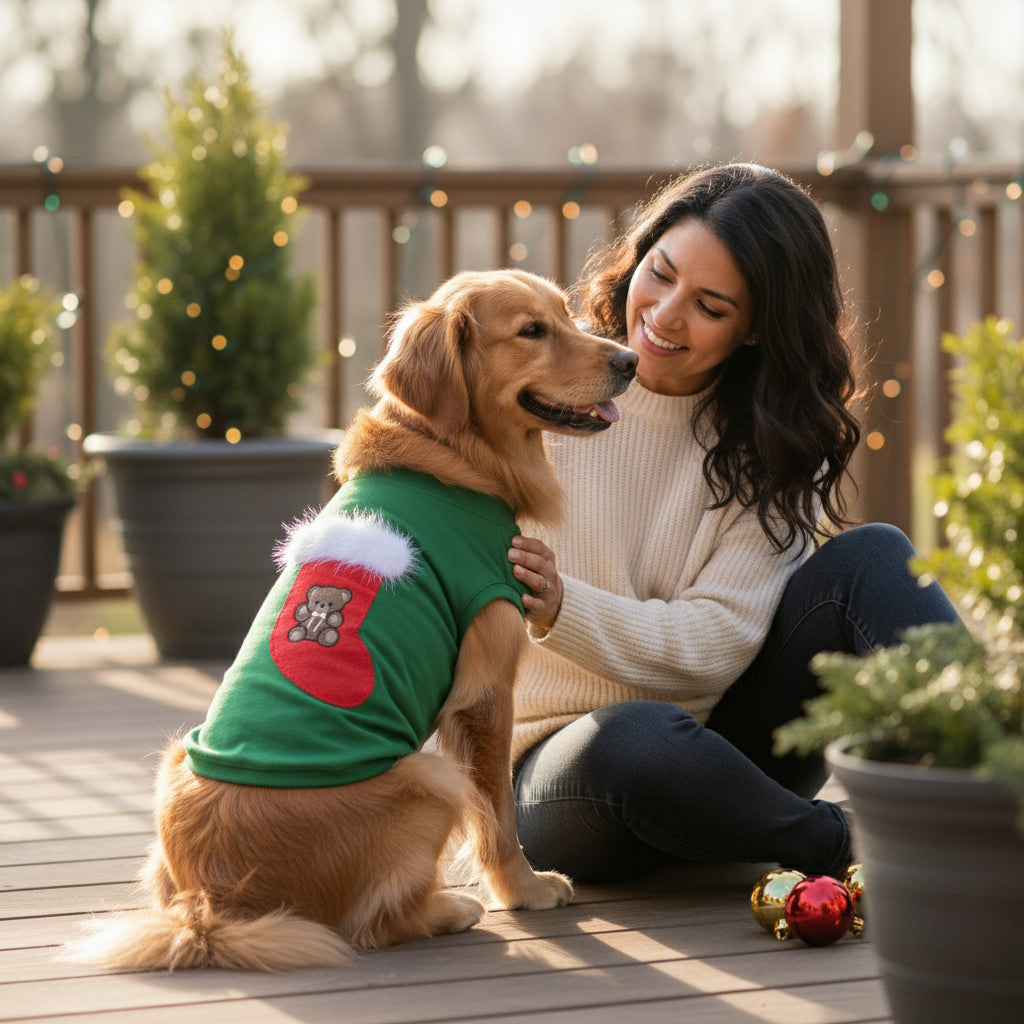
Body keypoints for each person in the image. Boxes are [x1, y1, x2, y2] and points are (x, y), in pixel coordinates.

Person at [505, 162, 963, 883]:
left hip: (728, 748)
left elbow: (719, 643)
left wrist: (567, 606)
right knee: (636, 739)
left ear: (756, 330)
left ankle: (1001, 790)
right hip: (563, 773)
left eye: (711, 307)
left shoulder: (777, 440)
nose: (663, 314)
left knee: (875, 557)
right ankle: (844, 842)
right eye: (660, 273)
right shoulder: (547, 384)